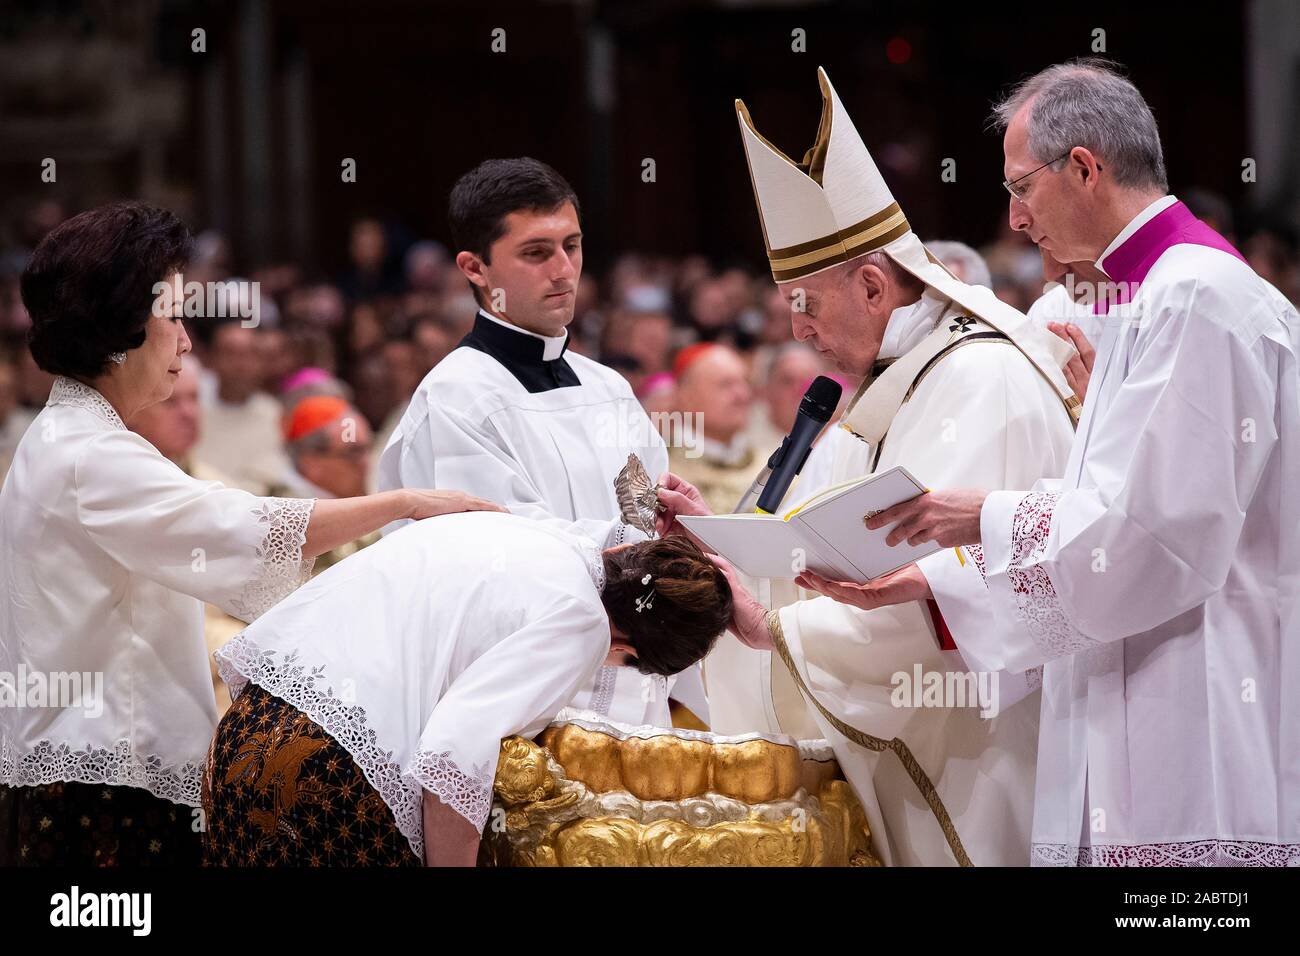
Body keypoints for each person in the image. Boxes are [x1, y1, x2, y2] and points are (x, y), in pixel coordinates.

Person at [839, 59, 1300, 867]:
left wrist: (978, 516)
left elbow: (1151, 536)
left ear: (1084, 167)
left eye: (1022, 187)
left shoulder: (1196, 299)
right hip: (1136, 699)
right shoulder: (1139, 298)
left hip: (1199, 718)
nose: (1016, 219)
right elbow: (1110, 509)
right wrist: (942, 580)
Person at [661, 67, 1081, 866]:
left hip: (978, 753)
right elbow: (810, 542)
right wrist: (716, 545)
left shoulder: (981, 378)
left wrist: (777, 628)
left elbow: (939, 597)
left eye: (807, 303)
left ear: (872, 284)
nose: (797, 329)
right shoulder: (894, 382)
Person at [0, 202, 500, 866]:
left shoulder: (70, 436)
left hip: (95, 770)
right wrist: (404, 504)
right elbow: (239, 528)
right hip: (101, 787)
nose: (186, 342)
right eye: (172, 317)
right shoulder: (87, 452)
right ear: (119, 326)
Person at [378, 158, 704, 727]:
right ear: (475, 267)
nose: (564, 270)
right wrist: (629, 547)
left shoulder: (609, 389)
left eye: (571, 246)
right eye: (536, 253)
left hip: (636, 679)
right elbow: (492, 551)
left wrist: (681, 532)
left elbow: (645, 514)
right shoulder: (456, 397)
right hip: (525, 701)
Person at [202, 518, 733, 867]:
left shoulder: (533, 539)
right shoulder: (582, 619)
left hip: (247, 735)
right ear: (628, 649)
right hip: (326, 779)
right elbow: (453, 757)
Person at [193, 320, 289, 494]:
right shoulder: (191, 410)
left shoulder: (272, 413)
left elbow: (271, 477)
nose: (241, 365)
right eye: (230, 354)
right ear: (212, 358)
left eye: (250, 354)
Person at [664, 342, 757, 514]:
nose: (742, 395)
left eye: (745, 382)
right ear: (685, 396)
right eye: (725, 384)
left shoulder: (773, 467)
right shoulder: (662, 468)